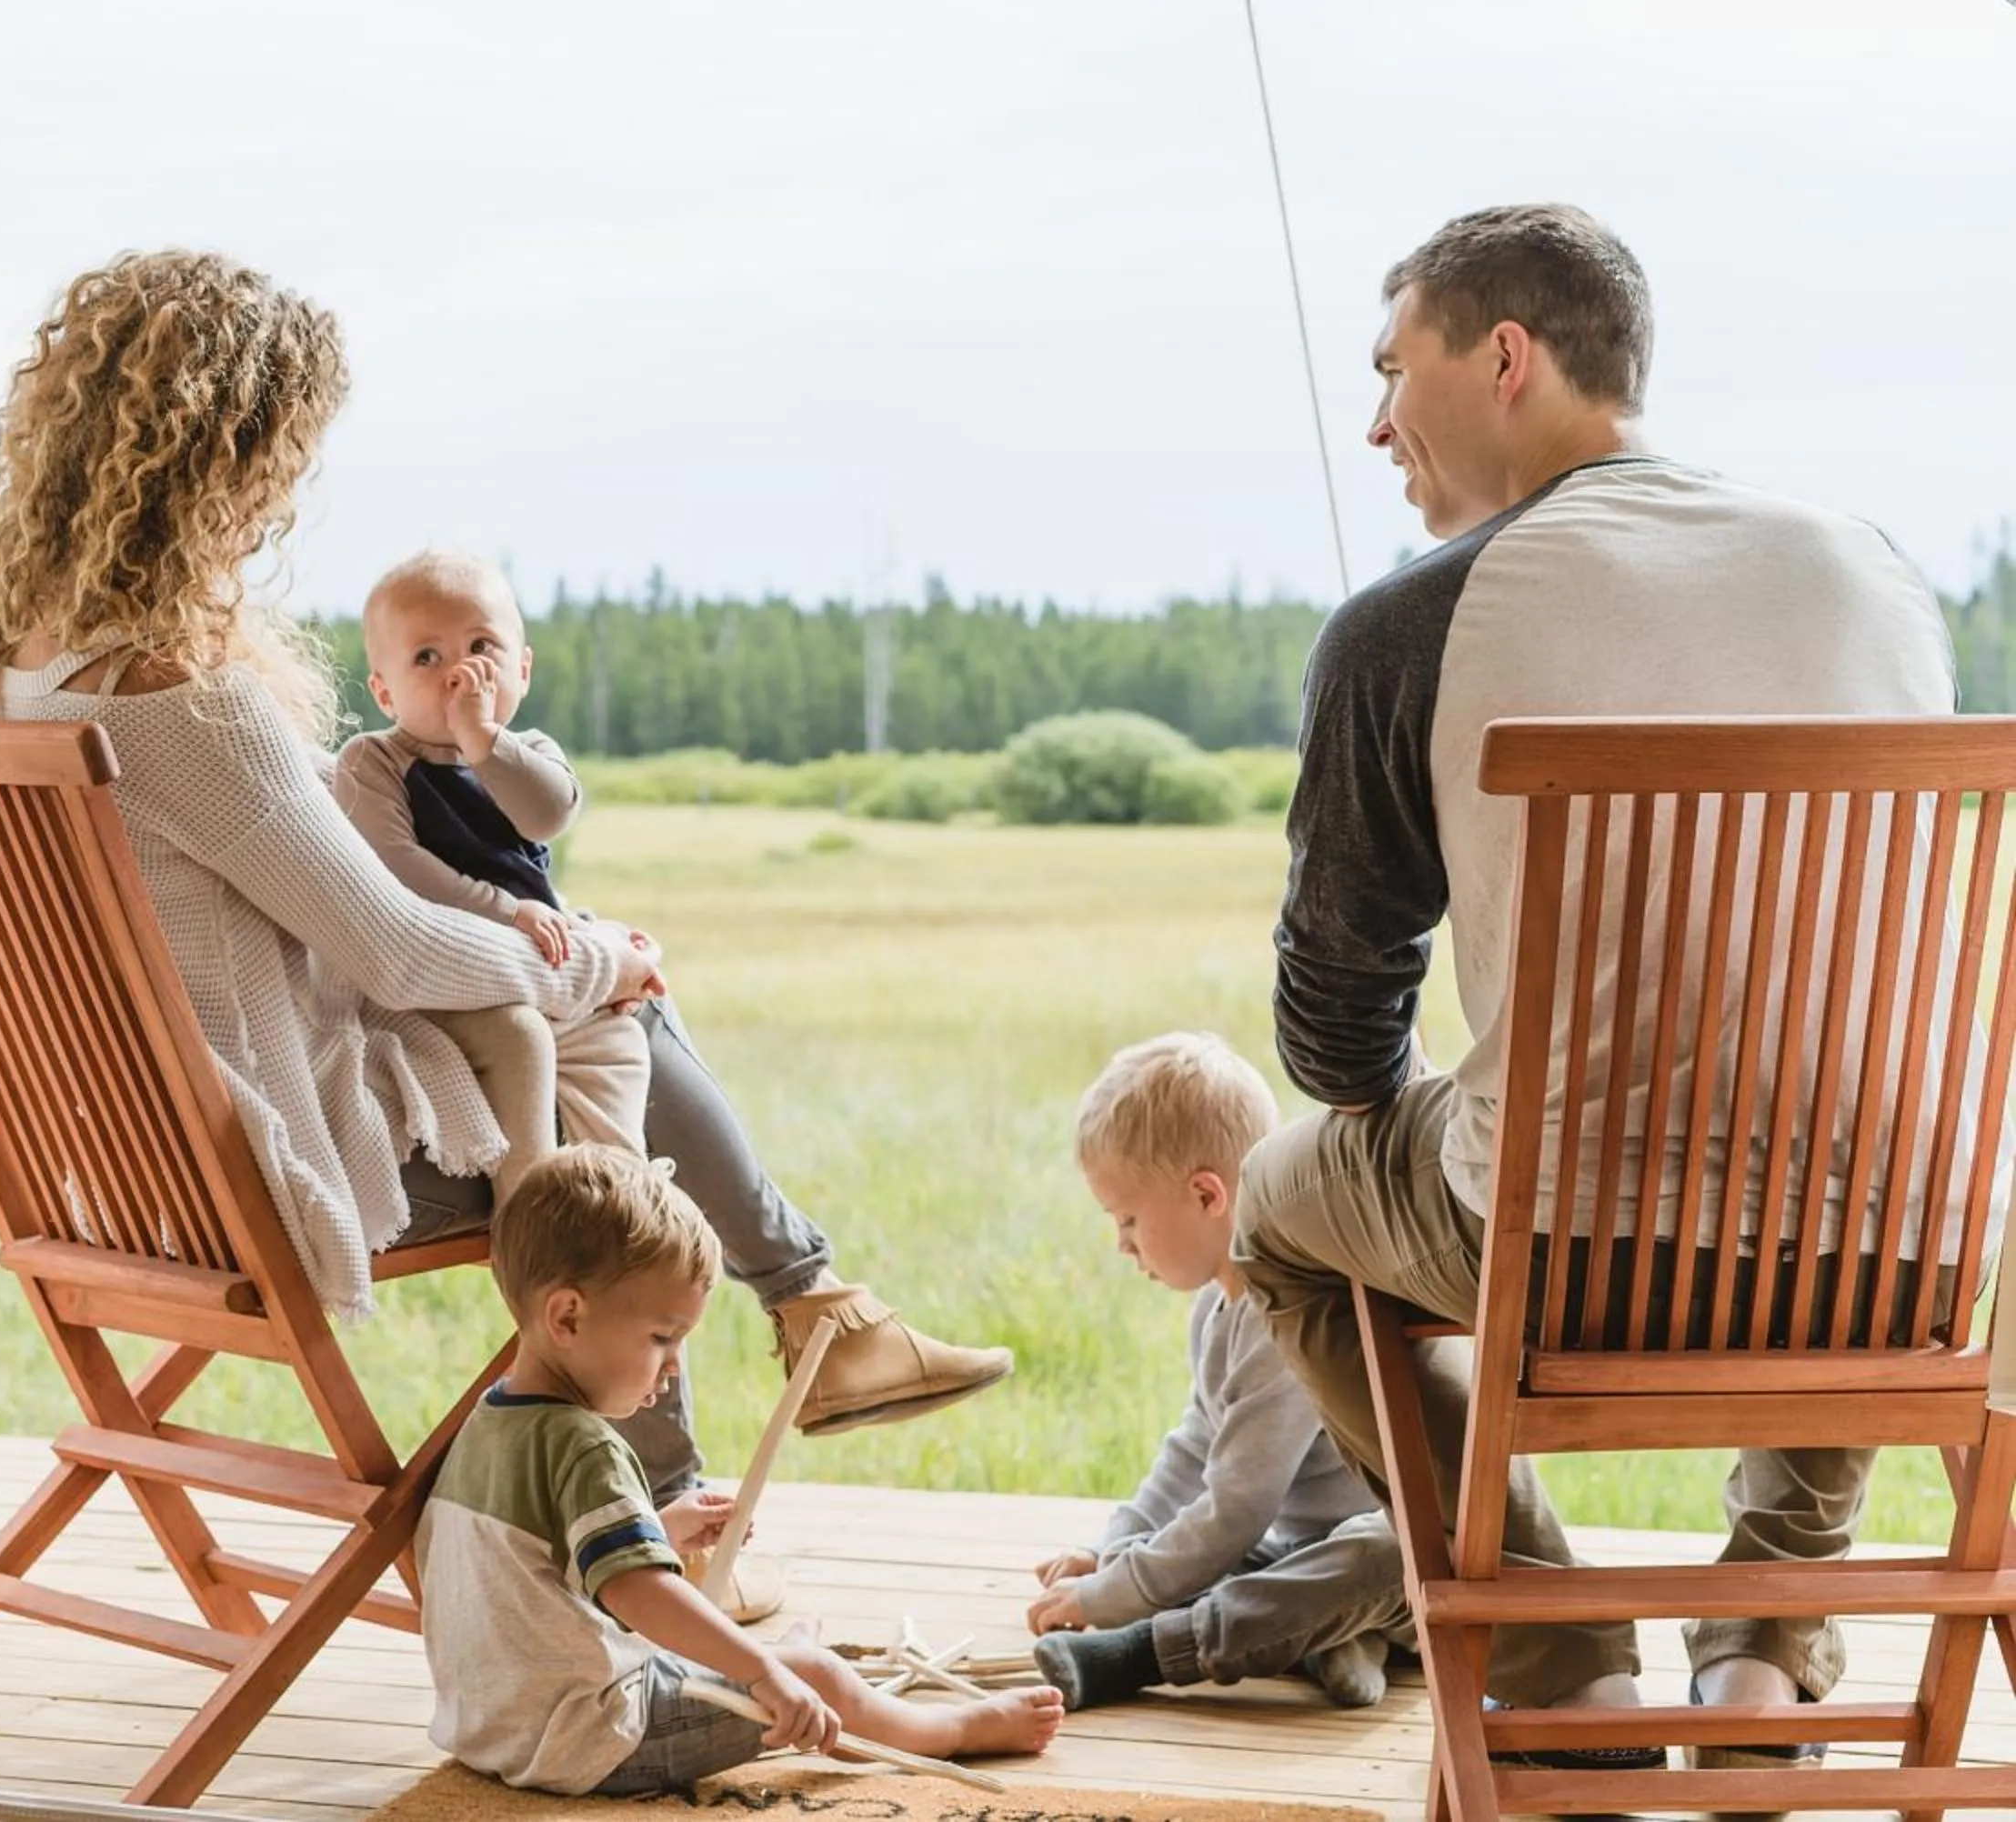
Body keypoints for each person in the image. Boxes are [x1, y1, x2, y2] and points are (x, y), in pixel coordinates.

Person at [0, 250, 1011, 1617]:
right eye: (282, 460)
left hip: (112, 1169)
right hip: (274, 1168)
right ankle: (668, 1487)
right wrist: (596, 956)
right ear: (228, 464)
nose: (281, 500)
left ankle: (786, 1349)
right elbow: (404, 957)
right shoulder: (177, 708)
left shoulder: (2, 675)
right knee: (606, 1011)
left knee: (574, 993)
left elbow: (354, 910)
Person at [1230, 202, 1972, 1777]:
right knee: (1838, 1156)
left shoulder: (1412, 621)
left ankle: (1562, 1651)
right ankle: (1766, 1648)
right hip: (1901, 1262)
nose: (1373, 423)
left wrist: (1449, 1081)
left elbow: (1337, 1043)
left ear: (1504, 357)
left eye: (1392, 371)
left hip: (1570, 1259)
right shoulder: (1882, 576)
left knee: (1277, 1209)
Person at [416, 1145, 1065, 1796]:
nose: (673, 1366)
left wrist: (658, 1530)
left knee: (722, 1651)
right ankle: (951, 1731)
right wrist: (765, 1674)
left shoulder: (486, 1423)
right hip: (591, 1739)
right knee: (816, 1678)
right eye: (661, 1337)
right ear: (568, 1316)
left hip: (489, 1728)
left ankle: (784, 1655)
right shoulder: (584, 1447)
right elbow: (638, 1598)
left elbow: (542, 1581)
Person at [1027, 1034, 1410, 1711]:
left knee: (1357, 1557)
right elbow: (1198, 1443)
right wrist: (1114, 1549)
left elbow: (1236, 1508)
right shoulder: (1217, 1303)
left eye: (1128, 1220)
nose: (1121, 1244)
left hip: (1387, 1554)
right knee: (1213, 1564)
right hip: (1295, 1549)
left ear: (1207, 1196)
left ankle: (1148, 1653)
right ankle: (1330, 1637)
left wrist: (1107, 1601)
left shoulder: (1284, 1307)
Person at [334, 549, 649, 1210]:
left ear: (522, 670)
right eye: (428, 658)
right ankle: (529, 1220)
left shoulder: (530, 753)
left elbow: (548, 815)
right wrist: (508, 912)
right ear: (385, 692)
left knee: (621, 1039)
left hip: (542, 970)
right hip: (447, 985)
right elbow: (399, 871)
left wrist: (484, 743)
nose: (460, 675)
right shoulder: (374, 763)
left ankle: (619, 1207)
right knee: (520, 1038)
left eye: (482, 647)